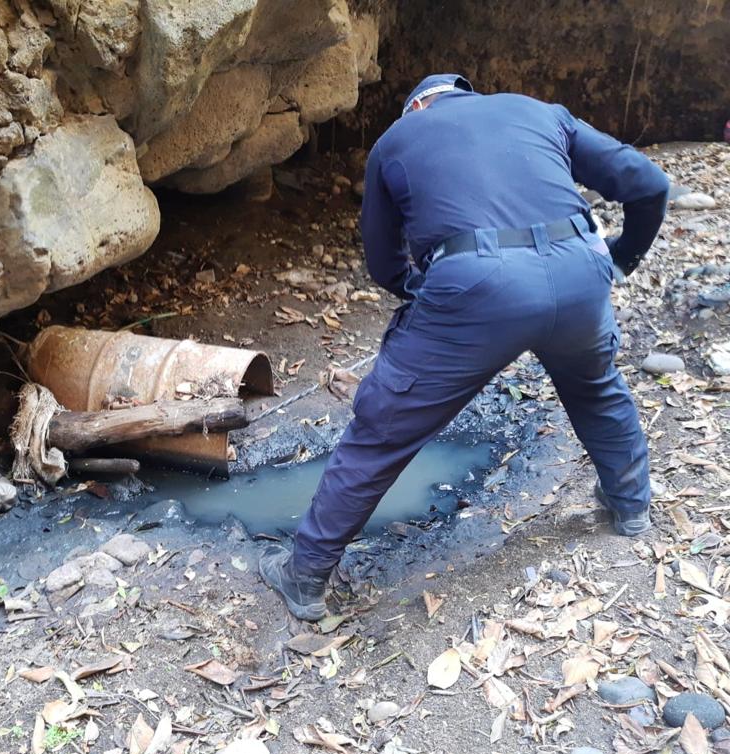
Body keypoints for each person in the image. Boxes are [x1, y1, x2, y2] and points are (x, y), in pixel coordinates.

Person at [260, 74, 670, 621]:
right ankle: (631, 509)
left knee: (382, 430)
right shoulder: (539, 109)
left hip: (477, 284)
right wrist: (621, 258)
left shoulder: (397, 141)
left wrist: (427, 296)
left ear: (417, 107)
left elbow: (384, 263)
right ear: (467, 96)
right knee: (596, 388)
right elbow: (649, 185)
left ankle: (305, 575)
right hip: (579, 271)